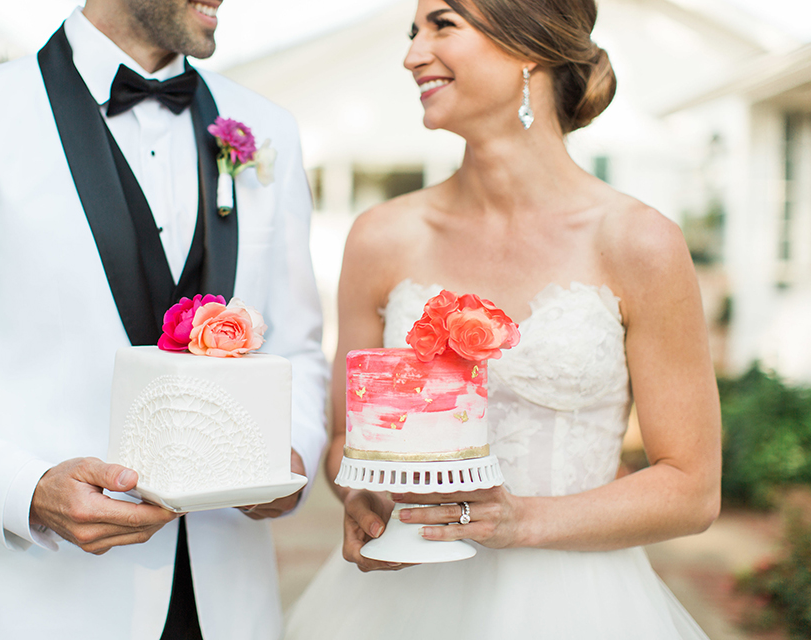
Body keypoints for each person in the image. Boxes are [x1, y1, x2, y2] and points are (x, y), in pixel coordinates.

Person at [0, 1, 327, 639]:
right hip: (51, 604)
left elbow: (298, 349)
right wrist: (28, 490)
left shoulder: (267, 128)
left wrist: (289, 459)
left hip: (229, 600)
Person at [284, 0, 721, 637]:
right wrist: (362, 496)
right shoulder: (381, 237)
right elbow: (347, 440)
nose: (412, 55)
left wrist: (521, 522)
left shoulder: (639, 242)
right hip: (396, 600)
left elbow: (692, 487)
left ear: (530, 47)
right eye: (413, 32)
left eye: (442, 25)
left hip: (579, 606)